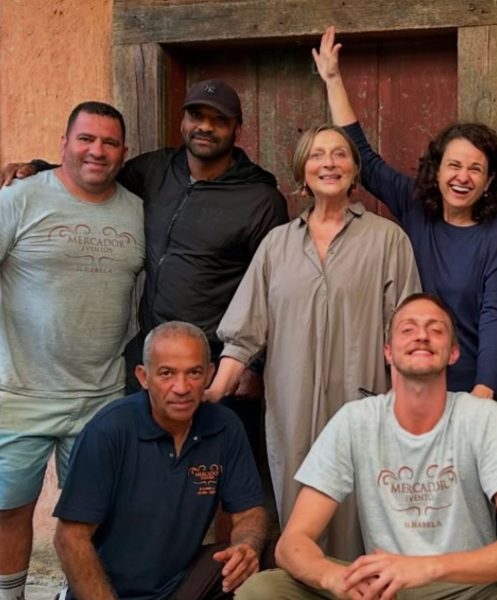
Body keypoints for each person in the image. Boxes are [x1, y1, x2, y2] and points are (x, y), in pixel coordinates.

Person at [1, 79, 289, 463]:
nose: (205, 126)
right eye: (196, 115)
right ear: (183, 121)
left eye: (219, 120)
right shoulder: (155, 169)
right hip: (150, 363)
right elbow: (95, 171)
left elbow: (274, 290)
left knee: (215, 477)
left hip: (218, 366)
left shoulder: (260, 200)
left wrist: (254, 365)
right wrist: (37, 169)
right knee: (146, 473)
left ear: (237, 129)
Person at [234, 293, 497, 600]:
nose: (422, 335)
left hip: (466, 588)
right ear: (388, 351)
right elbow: (292, 544)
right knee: (263, 590)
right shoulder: (356, 420)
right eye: (408, 329)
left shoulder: (481, 417)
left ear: (454, 353)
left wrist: (428, 567)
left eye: (436, 330)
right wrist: (335, 579)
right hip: (384, 590)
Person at [206, 124, 420, 560]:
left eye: (340, 154)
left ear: (354, 169)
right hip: (292, 410)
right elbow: (244, 333)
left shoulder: (387, 239)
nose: (329, 163)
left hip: (364, 407)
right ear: (302, 170)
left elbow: (405, 337)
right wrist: (211, 393)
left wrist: (407, 416)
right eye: (318, 155)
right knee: (300, 518)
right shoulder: (277, 245)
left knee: (362, 521)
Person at [313, 26, 497, 398]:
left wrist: (484, 390)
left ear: (489, 182)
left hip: (471, 387)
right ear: (437, 171)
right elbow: (365, 161)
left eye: (475, 169)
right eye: (454, 165)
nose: (462, 177)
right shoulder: (416, 207)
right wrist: (332, 79)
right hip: (410, 384)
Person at [0, 101, 144, 600]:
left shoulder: (137, 210)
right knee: (8, 509)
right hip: (19, 392)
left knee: (93, 515)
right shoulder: (19, 198)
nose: (96, 151)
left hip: (100, 396)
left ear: (124, 152)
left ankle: (74, 594)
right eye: (86, 139)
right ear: (63, 143)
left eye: (109, 142)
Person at [54, 321, 268, 600]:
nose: (182, 387)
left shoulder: (224, 426)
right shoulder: (110, 430)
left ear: (209, 374)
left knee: (275, 560)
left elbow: (249, 513)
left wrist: (246, 546)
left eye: (194, 373)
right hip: (114, 592)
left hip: (180, 583)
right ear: (144, 377)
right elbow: (70, 538)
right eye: (167, 373)